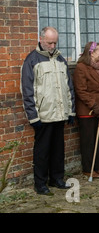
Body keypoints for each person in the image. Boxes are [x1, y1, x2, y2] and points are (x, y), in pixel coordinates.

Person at [20, 26, 75, 195]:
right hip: (43, 115)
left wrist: (71, 110)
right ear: (41, 39)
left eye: (55, 42)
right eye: (49, 42)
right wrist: (33, 116)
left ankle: (57, 178)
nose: (52, 46)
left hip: (60, 113)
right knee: (42, 152)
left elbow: (68, 87)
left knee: (58, 150)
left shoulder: (60, 60)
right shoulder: (32, 60)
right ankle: (40, 183)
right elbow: (27, 90)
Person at [73, 42, 99, 179]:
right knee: (89, 141)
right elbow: (81, 90)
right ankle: (88, 169)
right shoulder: (81, 67)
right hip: (88, 110)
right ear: (91, 52)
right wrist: (94, 106)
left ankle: (98, 166)